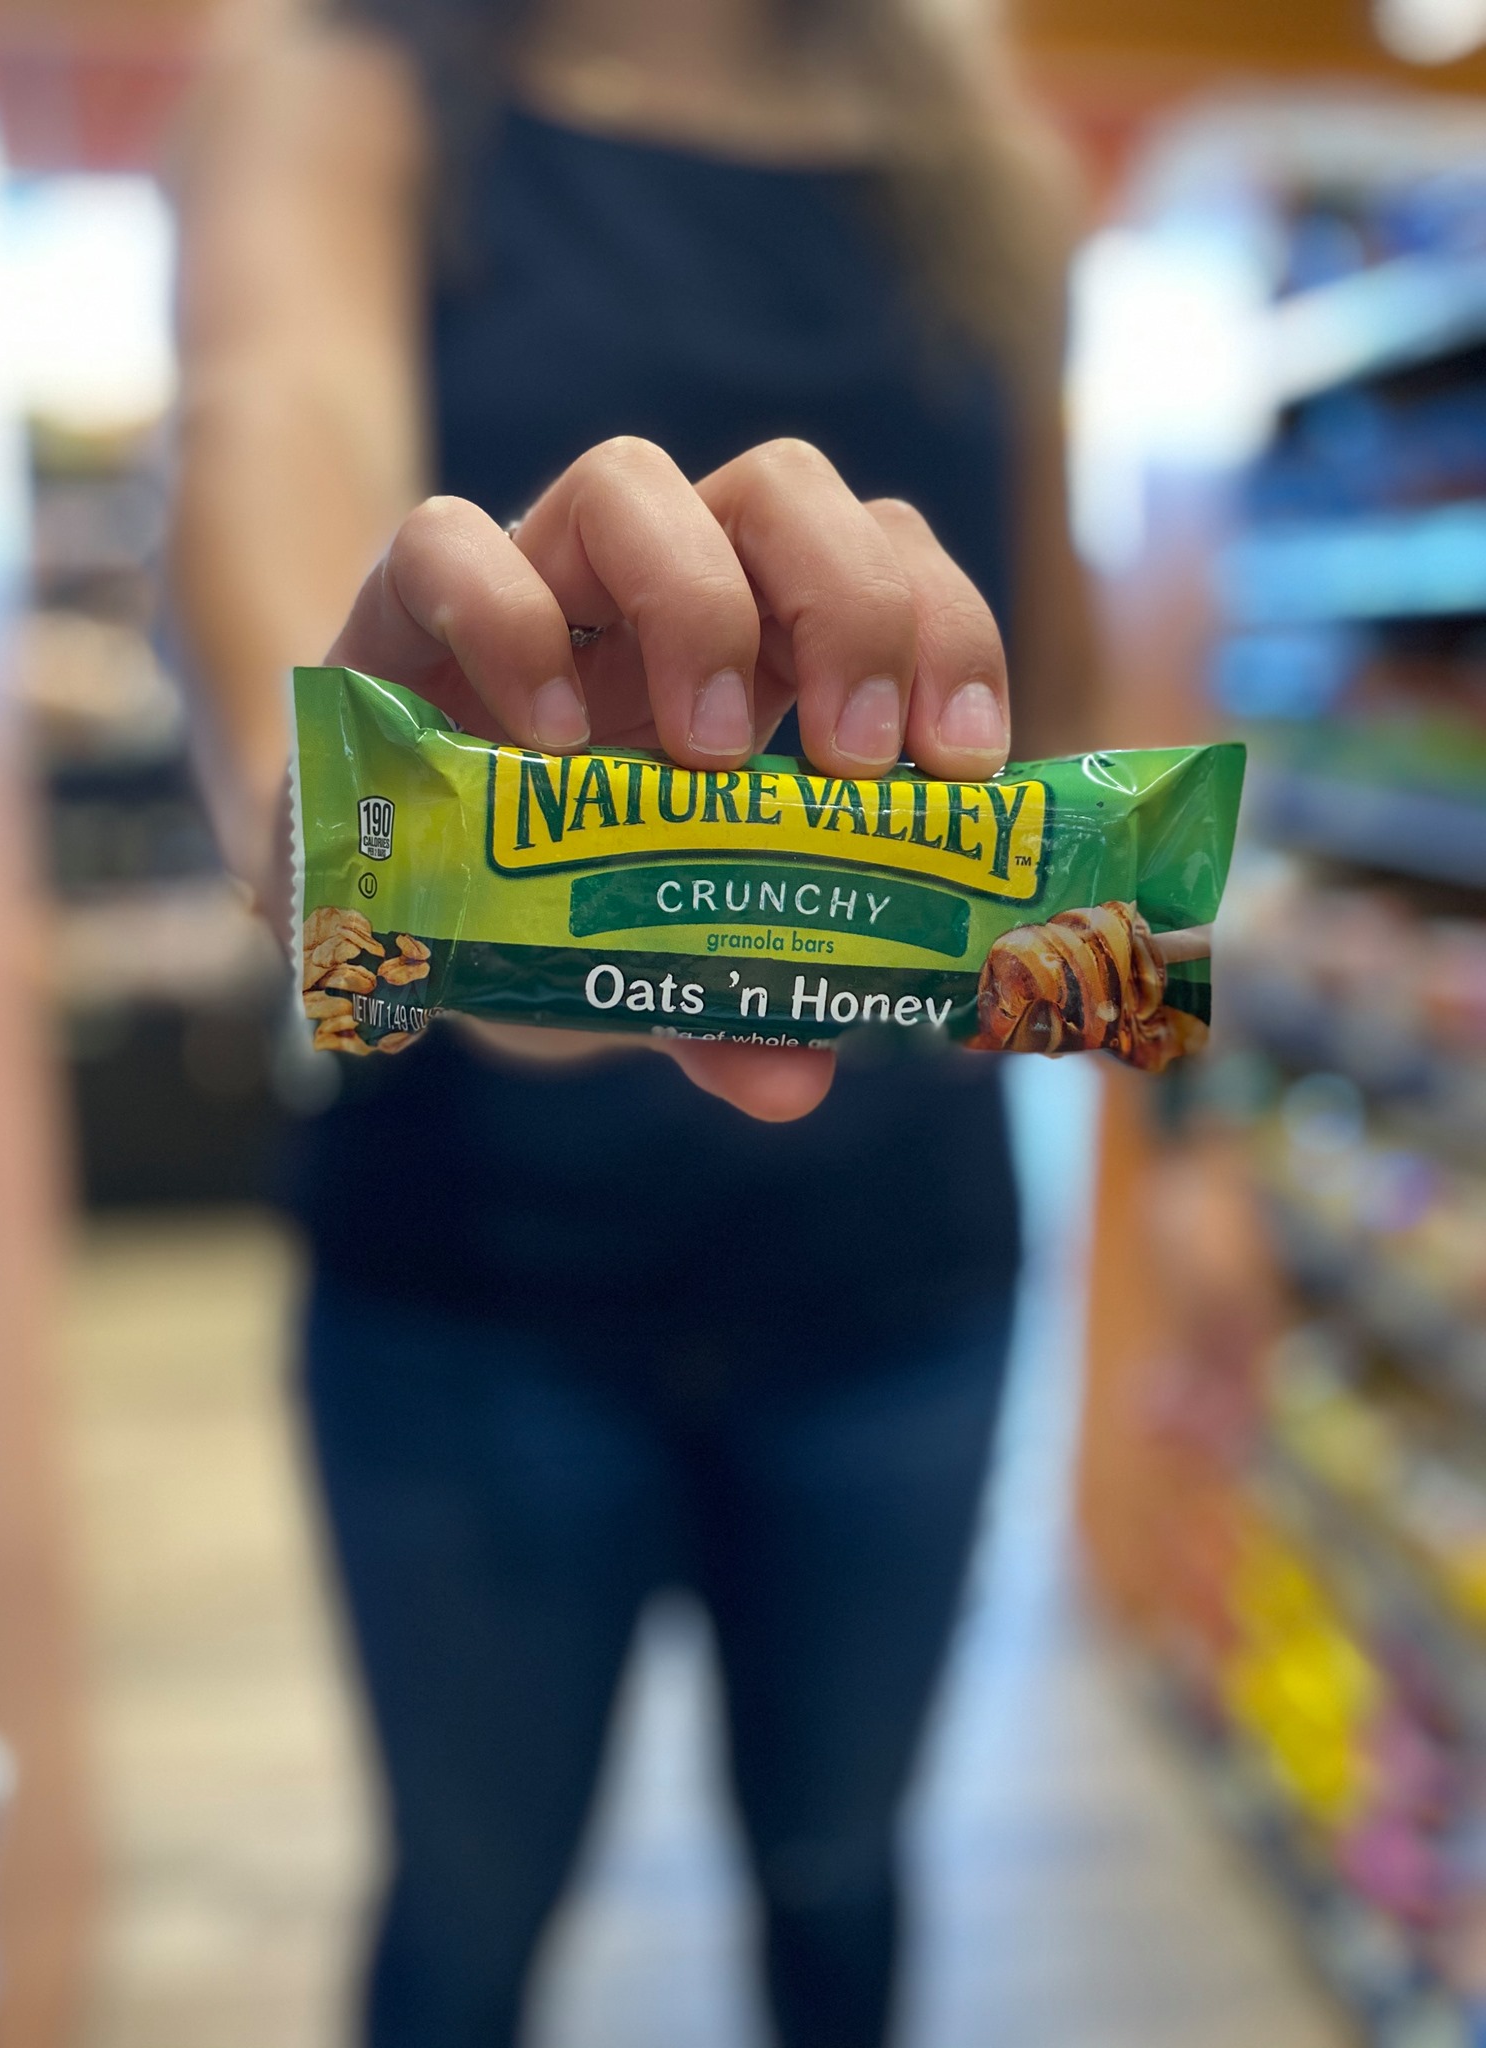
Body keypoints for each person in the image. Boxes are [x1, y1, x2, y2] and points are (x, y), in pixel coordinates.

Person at [169, 2, 1097, 2042]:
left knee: (842, 1882)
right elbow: (272, 448)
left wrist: (1179, 1138)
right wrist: (369, 840)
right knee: (468, 1917)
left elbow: (1062, 678)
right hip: (473, 1292)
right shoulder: (339, 92)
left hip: (901, 1279)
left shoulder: (993, 172)